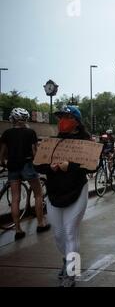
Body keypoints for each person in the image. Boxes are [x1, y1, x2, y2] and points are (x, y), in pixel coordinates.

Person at [35, 106, 97, 287]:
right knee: (58, 234)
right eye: (61, 117)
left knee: (70, 232)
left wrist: (70, 166)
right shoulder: (52, 143)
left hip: (76, 191)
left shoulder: (86, 142)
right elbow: (38, 166)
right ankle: (67, 260)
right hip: (54, 193)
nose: (63, 120)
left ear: (76, 121)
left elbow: (92, 167)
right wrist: (51, 167)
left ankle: (72, 273)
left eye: (67, 117)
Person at [0, 108, 50, 240]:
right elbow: (35, 152)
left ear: (12, 119)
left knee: (15, 198)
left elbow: (2, 154)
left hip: (13, 166)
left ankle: (18, 229)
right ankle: (40, 223)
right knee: (38, 194)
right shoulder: (30, 132)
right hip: (28, 165)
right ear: (25, 119)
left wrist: (4, 163)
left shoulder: (6, 133)